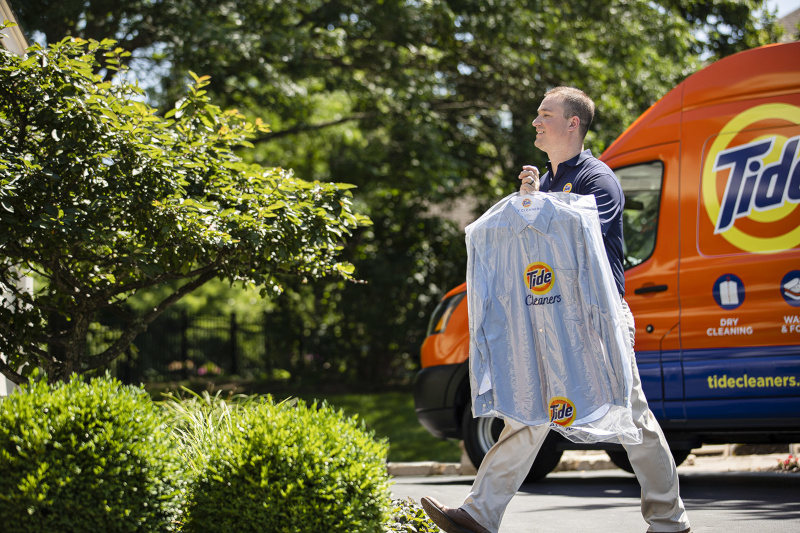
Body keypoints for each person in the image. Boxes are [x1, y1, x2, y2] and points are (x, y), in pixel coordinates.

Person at [421, 87, 691, 533]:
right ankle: (478, 514)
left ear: (572, 123)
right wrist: (527, 201)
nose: (536, 121)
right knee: (529, 412)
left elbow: (580, 239)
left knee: (632, 417)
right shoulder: (546, 184)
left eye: (546, 114)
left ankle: (669, 522)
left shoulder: (598, 179)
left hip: (597, 319)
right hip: (549, 317)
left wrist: (537, 206)